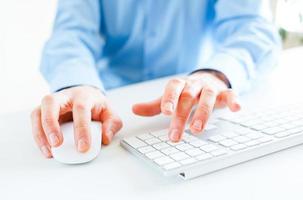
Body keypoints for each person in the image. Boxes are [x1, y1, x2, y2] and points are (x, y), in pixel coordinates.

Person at [31, 0, 281, 158]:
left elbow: (252, 28)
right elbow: (70, 34)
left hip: (196, 96)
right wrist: (76, 84)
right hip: (110, 105)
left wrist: (216, 74)